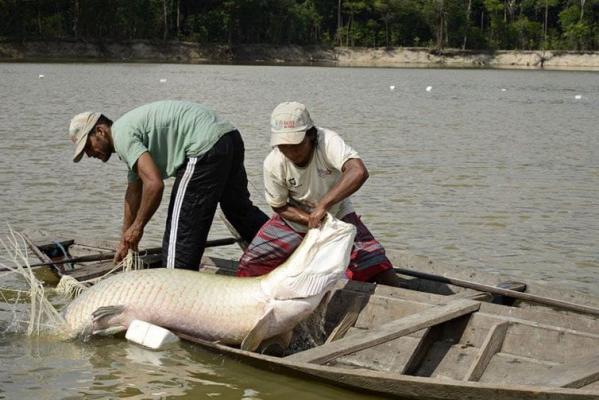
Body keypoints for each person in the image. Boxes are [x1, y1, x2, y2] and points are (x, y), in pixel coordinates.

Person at [68, 100, 268, 269]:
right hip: (229, 137)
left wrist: (138, 228)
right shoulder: (127, 133)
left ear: (101, 131)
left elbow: (154, 185)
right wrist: (125, 239)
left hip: (203, 147)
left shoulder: (122, 136)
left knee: (180, 239)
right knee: (239, 210)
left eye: (88, 146)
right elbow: (134, 191)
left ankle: (175, 296)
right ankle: (285, 246)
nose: (89, 154)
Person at [236, 102, 404, 287]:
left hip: (337, 215)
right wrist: (310, 219)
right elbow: (280, 206)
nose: (290, 152)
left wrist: (323, 206)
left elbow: (358, 171)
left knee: (376, 265)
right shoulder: (273, 162)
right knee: (250, 264)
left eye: (296, 144)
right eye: (283, 145)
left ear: (311, 135)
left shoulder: (327, 141)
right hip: (293, 220)